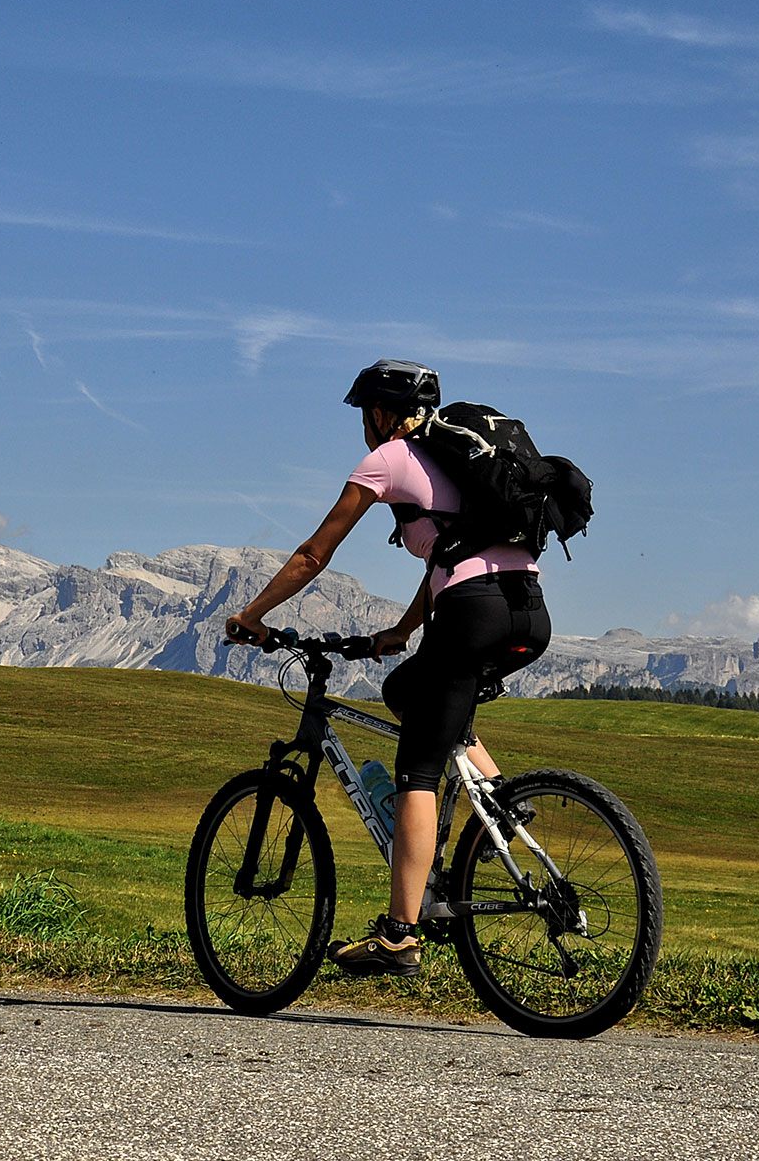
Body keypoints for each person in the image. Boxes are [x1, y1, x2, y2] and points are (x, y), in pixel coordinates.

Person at [223, 359, 552, 976]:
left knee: (416, 773)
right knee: (407, 690)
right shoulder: (455, 463)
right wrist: (401, 631)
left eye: (364, 414)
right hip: (528, 612)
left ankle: (400, 934)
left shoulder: (391, 459)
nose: (363, 427)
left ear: (380, 413)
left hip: (472, 613)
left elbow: (314, 553)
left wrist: (252, 614)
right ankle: (500, 805)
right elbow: (456, 557)